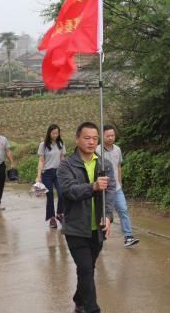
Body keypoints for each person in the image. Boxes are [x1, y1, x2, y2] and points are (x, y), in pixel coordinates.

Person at [57, 122, 115, 313]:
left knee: (87, 268)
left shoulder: (104, 164)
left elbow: (110, 191)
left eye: (95, 138)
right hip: (76, 228)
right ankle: (92, 309)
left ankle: (79, 299)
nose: (91, 142)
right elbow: (69, 190)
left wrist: (108, 216)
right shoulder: (66, 165)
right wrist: (93, 186)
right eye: (87, 138)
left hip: (97, 228)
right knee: (86, 269)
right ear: (77, 139)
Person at [96, 125, 140, 248]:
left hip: (116, 188)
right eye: (108, 136)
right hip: (102, 189)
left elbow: (119, 166)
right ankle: (98, 237)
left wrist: (120, 182)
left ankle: (128, 237)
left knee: (123, 210)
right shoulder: (97, 151)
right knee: (101, 214)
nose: (110, 138)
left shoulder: (117, 149)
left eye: (112, 135)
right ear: (102, 136)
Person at [36, 124, 66, 228]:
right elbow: (41, 161)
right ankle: (52, 218)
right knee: (50, 196)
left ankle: (59, 214)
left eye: (57, 133)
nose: (55, 135)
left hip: (58, 172)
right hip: (46, 173)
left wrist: (65, 172)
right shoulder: (43, 145)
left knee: (61, 193)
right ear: (49, 133)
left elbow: (62, 159)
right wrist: (39, 176)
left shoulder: (60, 144)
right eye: (53, 133)